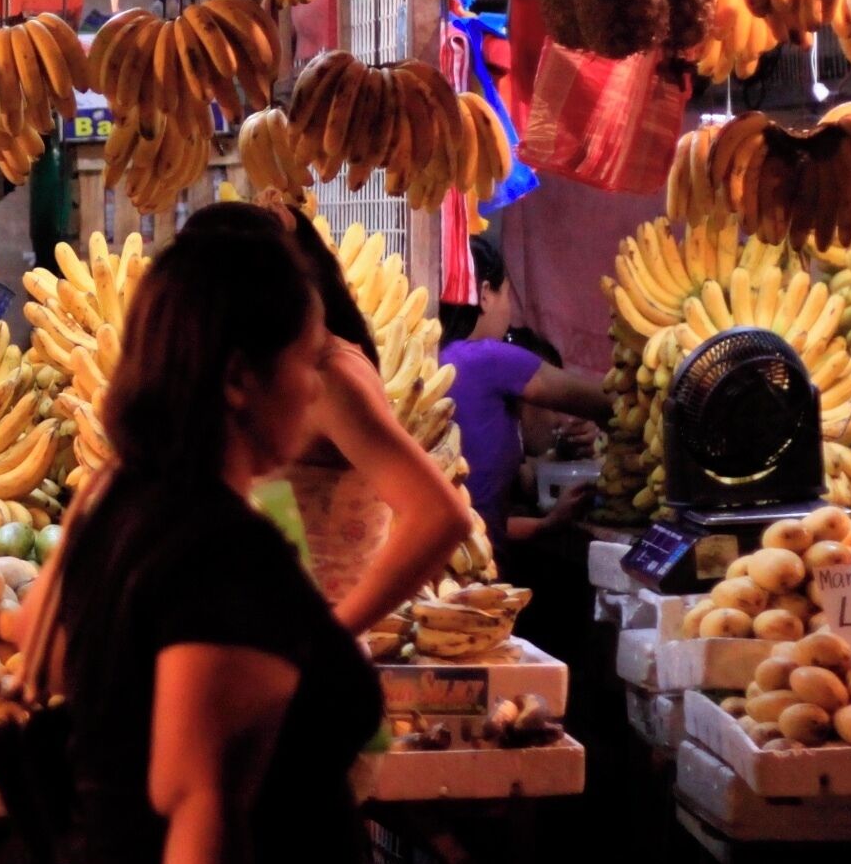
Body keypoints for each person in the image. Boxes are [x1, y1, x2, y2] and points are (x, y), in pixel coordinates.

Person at [19, 206, 380, 864]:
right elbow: (199, 802)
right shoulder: (215, 545)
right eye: (306, 358)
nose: (316, 383)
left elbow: (50, 660)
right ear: (237, 379)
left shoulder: (129, 506)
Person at [184, 201, 469, 634]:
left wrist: (330, 638)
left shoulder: (329, 377)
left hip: (313, 662)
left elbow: (438, 515)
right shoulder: (263, 375)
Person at [438, 236, 610, 542]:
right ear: (485, 294)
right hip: (480, 572)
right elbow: (605, 403)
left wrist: (547, 523)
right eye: (506, 294)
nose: (509, 311)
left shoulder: (437, 357)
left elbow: (481, 514)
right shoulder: (489, 358)